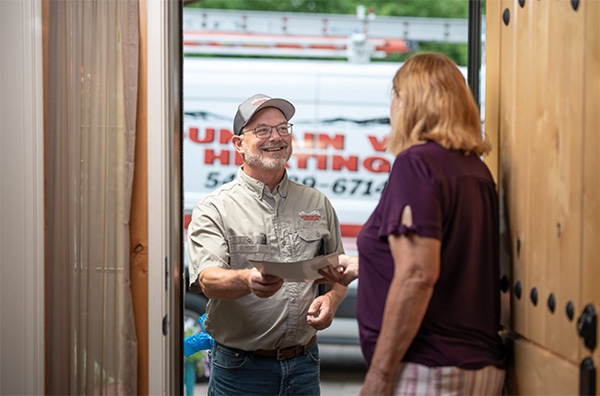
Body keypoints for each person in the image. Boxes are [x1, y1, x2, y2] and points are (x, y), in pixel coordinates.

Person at [319, 53, 506, 395]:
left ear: (410, 102)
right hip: (477, 365)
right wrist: (367, 265)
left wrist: (380, 374)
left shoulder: (416, 163)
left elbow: (418, 274)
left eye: (397, 96)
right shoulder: (475, 169)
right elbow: (450, 258)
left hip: (428, 368)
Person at [187, 93, 348, 396]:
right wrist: (247, 279)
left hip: (304, 365)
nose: (275, 137)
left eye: (283, 128)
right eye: (262, 130)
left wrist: (332, 300)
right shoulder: (215, 208)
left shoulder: (317, 202)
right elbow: (207, 279)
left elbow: (335, 270)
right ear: (238, 144)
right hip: (240, 370)